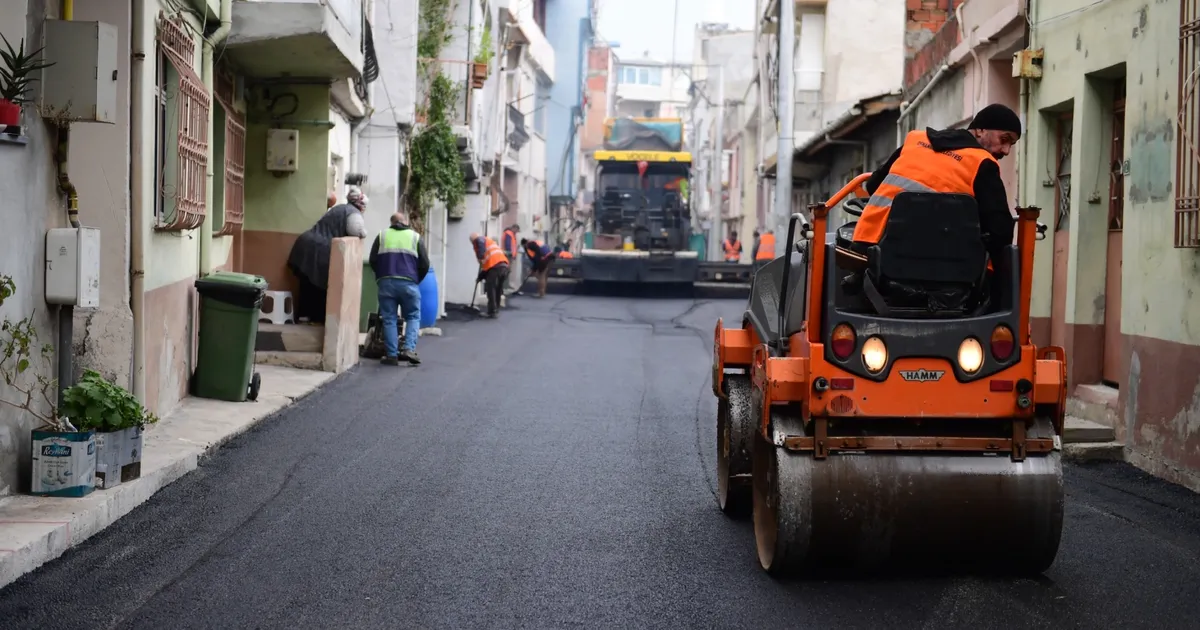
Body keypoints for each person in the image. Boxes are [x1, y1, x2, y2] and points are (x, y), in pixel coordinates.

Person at [851, 103, 1021, 268]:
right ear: (980, 130)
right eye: (1004, 139)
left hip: (871, 250)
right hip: (940, 270)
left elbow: (873, 185)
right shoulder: (983, 163)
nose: (1006, 150)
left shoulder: (916, 140)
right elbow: (1000, 232)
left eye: (1011, 145)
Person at [287, 187, 368, 324]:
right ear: (361, 205)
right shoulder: (354, 213)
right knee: (321, 285)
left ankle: (304, 316)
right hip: (320, 249)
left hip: (305, 244)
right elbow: (356, 230)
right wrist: (364, 233)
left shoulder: (339, 208)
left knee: (308, 284)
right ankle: (317, 319)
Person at [369, 211, 430, 365]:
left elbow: (372, 260)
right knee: (413, 316)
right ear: (405, 221)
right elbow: (424, 264)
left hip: (386, 282)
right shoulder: (415, 237)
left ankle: (391, 355)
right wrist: (416, 279)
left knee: (389, 318)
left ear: (391, 222)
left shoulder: (382, 235)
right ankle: (408, 349)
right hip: (409, 283)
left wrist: (381, 276)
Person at [470, 232, 509, 318]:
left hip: (495, 267)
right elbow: (486, 268)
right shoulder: (489, 242)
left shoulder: (479, 240)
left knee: (491, 289)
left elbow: (488, 265)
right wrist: (480, 278)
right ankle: (495, 309)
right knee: (498, 289)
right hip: (504, 266)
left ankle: (492, 312)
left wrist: (480, 256)